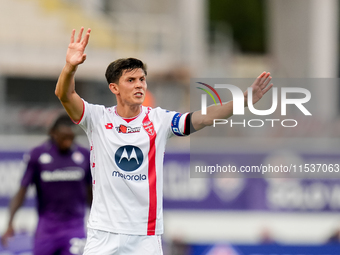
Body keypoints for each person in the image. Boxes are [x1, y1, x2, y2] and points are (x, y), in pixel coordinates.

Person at [55, 27, 273, 255]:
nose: (139, 84)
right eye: (131, 80)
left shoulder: (160, 120)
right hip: (103, 233)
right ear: (114, 88)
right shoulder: (97, 118)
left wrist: (244, 101)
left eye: (142, 79)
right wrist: (70, 67)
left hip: (145, 236)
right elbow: (65, 95)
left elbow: (205, 117)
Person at [1, 114, 92, 255]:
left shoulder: (84, 155)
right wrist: (10, 222)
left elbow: (91, 194)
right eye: (64, 137)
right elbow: (22, 192)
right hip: (46, 229)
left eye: (71, 137)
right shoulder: (37, 155)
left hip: (74, 227)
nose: (68, 141)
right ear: (53, 133)